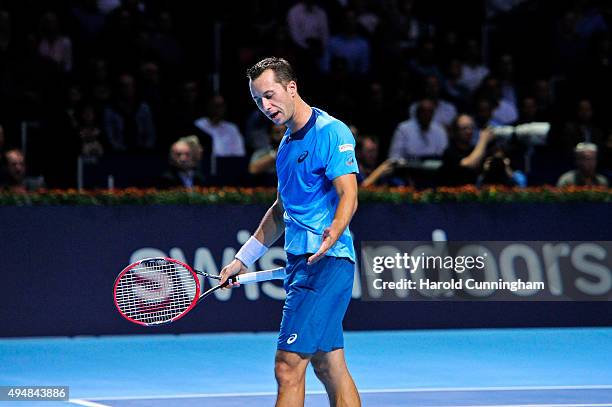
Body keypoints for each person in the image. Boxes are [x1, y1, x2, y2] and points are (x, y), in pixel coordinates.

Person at [219, 57, 361, 407]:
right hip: (302, 263)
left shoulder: (331, 132)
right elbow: (282, 211)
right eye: (257, 101)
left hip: (327, 263)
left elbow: (349, 194)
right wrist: (243, 259)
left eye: (270, 95)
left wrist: (334, 231)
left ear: (291, 88)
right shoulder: (284, 147)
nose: (266, 106)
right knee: (329, 365)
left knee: (287, 366)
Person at [438, 114, 495, 186]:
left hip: (472, 192)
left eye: (471, 127)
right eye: (464, 128)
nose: (469, 131)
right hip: (452, 193)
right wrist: (483, 140)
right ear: (455, 131)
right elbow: (468, 165)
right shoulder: (450, 151)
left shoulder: (474, 150)